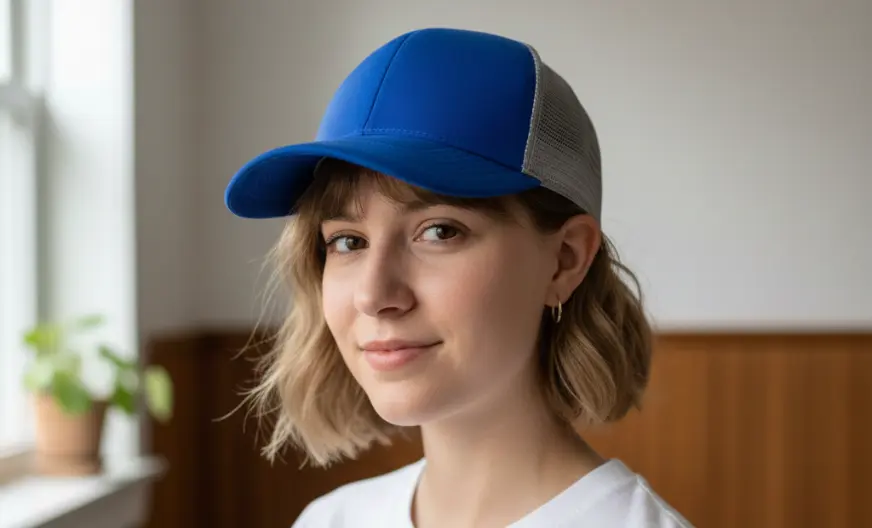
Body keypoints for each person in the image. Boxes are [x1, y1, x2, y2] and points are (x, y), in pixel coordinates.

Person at [225, 27, 691, 528]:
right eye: (347, 241)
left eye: (440, 231)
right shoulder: (330, 520)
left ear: (565, 260)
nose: (374, 295)